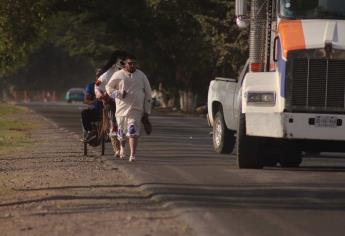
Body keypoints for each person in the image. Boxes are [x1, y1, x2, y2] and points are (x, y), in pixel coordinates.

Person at [106, 53, 152, 162]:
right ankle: (122, 147)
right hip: (121, 109)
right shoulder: (118, 75)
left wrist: (147, 110)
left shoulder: (141, 75)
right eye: (130, 63)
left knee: (132, 131)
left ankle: (132, 155)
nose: (132, 65)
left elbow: (148, 93)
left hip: (136, 109)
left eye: (134, 63)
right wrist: (118, 93)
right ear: (125, 64)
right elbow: (108, 88)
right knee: (121, 134)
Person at [95, 50, 127, 157]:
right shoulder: (108, 73)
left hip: (127, 104)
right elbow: (97, 85)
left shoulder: (134, 74)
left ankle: (124, 146)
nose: (125, 64)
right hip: (112, 103)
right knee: (114, 124)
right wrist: (100, 95)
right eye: (122, 62)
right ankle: (117, 149)